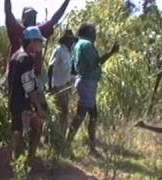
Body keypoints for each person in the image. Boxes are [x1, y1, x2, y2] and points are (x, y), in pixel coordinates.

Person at [66, 23, 119, 153]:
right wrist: (111, 53)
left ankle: (86, 146)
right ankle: (71, 145)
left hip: (83, 81)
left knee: (90, 114)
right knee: (83, 114)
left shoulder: (77, 45)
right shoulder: (87, 45)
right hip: (87, 83)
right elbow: (95, 63)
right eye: (93, 32)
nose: (95, 34)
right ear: (88, 32)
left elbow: (73, 68)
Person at [8, 26, 46, 163]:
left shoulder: (16, 55)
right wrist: (38, 107)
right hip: (23, 103)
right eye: (39, 42)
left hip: (14, 100)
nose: (40, 45)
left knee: (18, 131)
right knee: (34, 127)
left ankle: (17, 162)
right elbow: (28, 86)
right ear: (31, 42)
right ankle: (28, 161)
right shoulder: (26, 59)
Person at [47, 29, 77, 136]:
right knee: (57, 112)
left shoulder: (70, 53)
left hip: (66, 86)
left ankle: (60, 135)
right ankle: (52, 135)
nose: (71, 42)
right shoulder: (59, 50)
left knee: (64, 112)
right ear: (65, 41)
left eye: (72, 40)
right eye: (69, 40)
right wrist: (50, 86)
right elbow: (50, 67)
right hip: (57, 86)